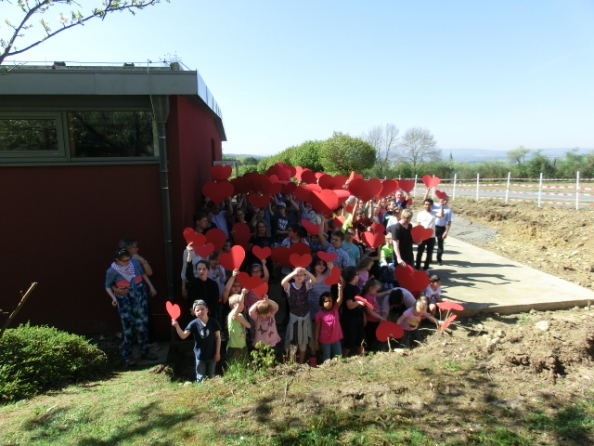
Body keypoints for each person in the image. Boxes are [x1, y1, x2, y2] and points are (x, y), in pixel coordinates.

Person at [105, 248, 158, 366]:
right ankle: (127, 356)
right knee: (128, 328)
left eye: (128, 260)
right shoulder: (112, 271)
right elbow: (108, 285)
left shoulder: (133, 263)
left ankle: (145, 351)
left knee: (142, 325)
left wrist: (151, 287)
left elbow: (142, 274)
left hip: (139, 295)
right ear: (117, 260)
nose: (127, 263)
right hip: (125, 298)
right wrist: (114, 297)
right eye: (124, 261)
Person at [172, 299, 221, 382]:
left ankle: (212, 391)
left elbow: (218, 338)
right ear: (194, 313)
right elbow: (183, 336)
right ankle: (200, 390)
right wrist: (176, 326)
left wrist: (217, 353)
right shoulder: (193, 324)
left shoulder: (214, 322)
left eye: (202, 309)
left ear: (207, 309)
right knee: (200, 377)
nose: (200, 311)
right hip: (200, 356)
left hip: (212, 355)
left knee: (211, 375)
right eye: (197, 310)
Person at [281, 267, 316, 364]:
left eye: (301, 275)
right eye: (297, 275)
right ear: (293, 276)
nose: (299, 277)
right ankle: (292, 362)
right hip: (294, 318)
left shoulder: (306, 285)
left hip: (305, 317)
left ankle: (300, 363)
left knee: (303, 341)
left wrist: (306, 272)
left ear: (304, 277)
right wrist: (294, 273)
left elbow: (313, 280)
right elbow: (283, 282)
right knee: (293, 341)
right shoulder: (289, 286)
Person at [183, 244, 221, 328]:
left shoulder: (213, 285)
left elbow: (215, 302)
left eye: (204, 269)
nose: (201, 271)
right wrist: (189, 254)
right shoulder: (194, 282)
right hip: (195, 316)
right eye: (199, 269)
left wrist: (205, 311)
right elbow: (188, 272)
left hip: (209, 317)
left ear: (208, 270)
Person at [340, 266, 367, 357]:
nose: (358, 275)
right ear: (352, 276)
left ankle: (362, 356)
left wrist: (364, 315)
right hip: (350, 319)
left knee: (359, 338)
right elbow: (350, 305)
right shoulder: (348, 289)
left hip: (358, 317)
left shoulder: (356, 287)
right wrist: (359, 302)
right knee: (350, 339)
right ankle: (343, 358)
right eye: (356, 274)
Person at [314, 283, 344, 362]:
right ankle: (326, 370)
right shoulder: (319, 314)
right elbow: (317, 328)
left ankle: (337, 370)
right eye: (326, 301)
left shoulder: (335, 309)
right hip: (325, 340)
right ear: (322, 302)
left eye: (330, 301)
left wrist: (340, 287)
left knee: (339, 356)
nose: (328, 303)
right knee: (327, 357)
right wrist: (316, 341)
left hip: (335, 339)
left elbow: (340, 298)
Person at [227, 289, 251, 361]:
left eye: (243, 303)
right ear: (232, 306)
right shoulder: (232, 314)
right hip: (234, 347)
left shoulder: (240, 315)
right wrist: (242, 294)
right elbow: (239, 306)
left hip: (243, 346)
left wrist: (240, 320)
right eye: (238, 304)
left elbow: (249, 326)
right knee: (234, 365)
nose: (241, 305)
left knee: (244, 364)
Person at [415, 198, 437, 271]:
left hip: (431, 237)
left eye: (429, 205)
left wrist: (442, 206)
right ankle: (417, 267)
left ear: (431, 205)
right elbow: (418, 225)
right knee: (420, 252)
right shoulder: (420, 214)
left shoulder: (434, 213)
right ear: (424, 205)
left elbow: (441, 215)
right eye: (426, 204)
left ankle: (426, 268)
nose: (427, 206)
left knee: (429, 253)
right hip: (422, 237)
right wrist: (417, 237)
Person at [434, 195, 454, 266]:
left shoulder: (448, 210)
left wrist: (446, 232)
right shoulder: (434, 205)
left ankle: (439, 259)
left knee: (440, 244)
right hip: (432, 227)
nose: (444, 201)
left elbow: (449, 222)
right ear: (439, 199)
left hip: (441, 228)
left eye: (446, 200)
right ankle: (429, 258)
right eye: (443, 199)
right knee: (430, 243)